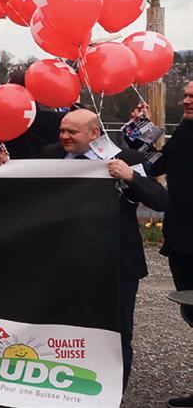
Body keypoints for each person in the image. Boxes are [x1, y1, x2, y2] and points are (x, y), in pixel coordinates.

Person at [38, 109, 166, 385]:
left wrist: (131, 176)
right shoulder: (50, 154)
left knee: (116, 331)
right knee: (65, 327)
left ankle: (113, 389)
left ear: (94, 133)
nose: (64, 136)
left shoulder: (126, 158)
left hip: (116, 263)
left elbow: (160, 200)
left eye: (72, 132)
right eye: (62, 130)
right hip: (64, 261)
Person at [153, 83, 193, 408]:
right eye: (186, 95)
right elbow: (157, 164)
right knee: (191, 312)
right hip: (181, 239)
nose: (186, 100)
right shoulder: (184, 129)